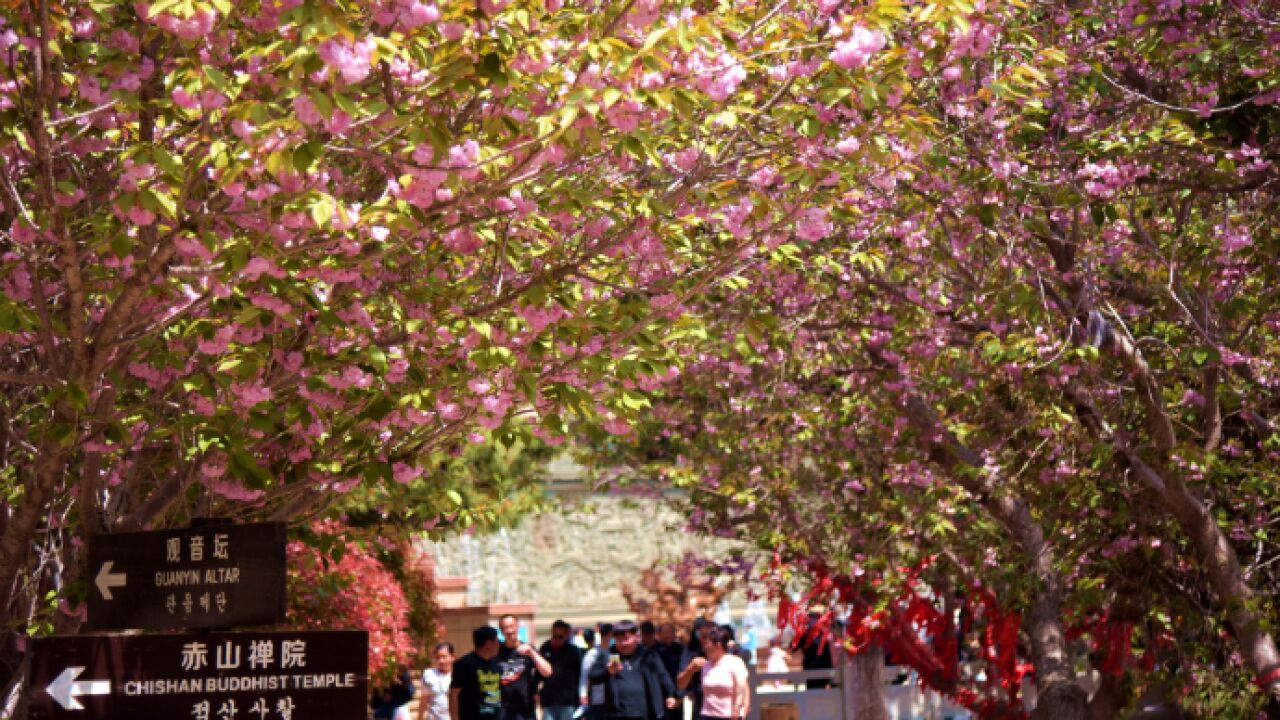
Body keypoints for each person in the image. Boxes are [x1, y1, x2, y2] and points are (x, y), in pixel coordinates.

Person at [588, 620, 678, 720]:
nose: (623, 644)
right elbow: (593, 677)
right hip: (617, 714)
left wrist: (671, 694)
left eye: (626, 639)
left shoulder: (647, 655)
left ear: (636, 637)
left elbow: (663, 675)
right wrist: (607, 671)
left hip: (646, 713)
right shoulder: (608, 655)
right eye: (619, 640)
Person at [676, 627, 750, 720]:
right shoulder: (704, 664)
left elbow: (741, 686)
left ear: (718, 645)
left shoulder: (735, 662)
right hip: (707, 715)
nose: (705, 647)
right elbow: (681, 685)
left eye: (707, 643)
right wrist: (690, 669)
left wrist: (738, 706)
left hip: (729, 715)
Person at [497, 614, 553, 720]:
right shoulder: (496, 652)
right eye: (505, 627)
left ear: (517, 627)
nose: (509, 631)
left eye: (512, 626)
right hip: (503, 709)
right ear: (501, 630)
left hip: (524, 709)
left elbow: (548, 672)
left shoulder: (527, 649)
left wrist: (532, 653)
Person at [451, 626, 503, 720]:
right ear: (488, 644)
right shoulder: (464, 664)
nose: (499, 644)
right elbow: (454, 694)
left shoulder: (497, 663)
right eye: (496, 641)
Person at [537, 619, 584, 720]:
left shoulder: (573, 651)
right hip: (549, 700)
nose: (557, 639)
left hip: (567, 701)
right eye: (555, 636)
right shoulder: (545, 648)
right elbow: (538, 673)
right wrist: (535, 692)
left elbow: (579, 676)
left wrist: (579, 697)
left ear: (566, 635)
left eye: (560, 637)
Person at [679, 618, 710, 718]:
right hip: (699, 696)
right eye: (699, 633)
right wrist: (691, 668)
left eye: (705, 634)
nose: (702, 638)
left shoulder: (717, 647)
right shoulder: (690, 649)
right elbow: (681, 680)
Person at [654, 624, 684, 720]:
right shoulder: (654, 651)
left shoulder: (681, 650)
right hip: (659, 693)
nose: (668, 635)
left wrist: (679, 694)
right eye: (666, 632)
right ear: (659, 634)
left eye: (671, 632)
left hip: (677, 692)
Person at [582, 624, 612, 720]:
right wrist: (583, 694)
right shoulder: (593, 653)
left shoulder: (614, 651)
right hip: (598, 697)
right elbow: (585, 675)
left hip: (612, 697)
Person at [420, 642, 456, 720]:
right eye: (438, 658)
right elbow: (424, 699)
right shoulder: (428, 674)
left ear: (452, 657)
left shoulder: (459, 676)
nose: (441, 661)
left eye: (444, 657)